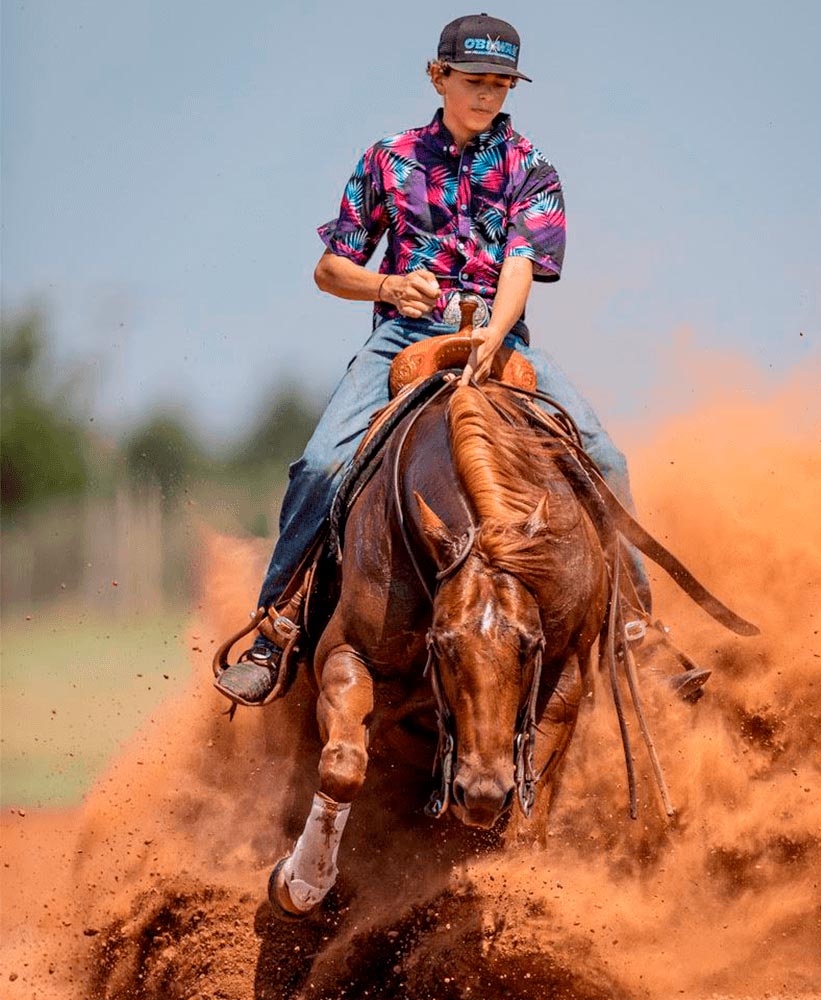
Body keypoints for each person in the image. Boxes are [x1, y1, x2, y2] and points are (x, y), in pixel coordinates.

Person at [216, 13, 651, 706]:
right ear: (438, 76)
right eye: (475, 81)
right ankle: (277, 629)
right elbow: (331, 269)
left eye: (501, 84)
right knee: (324, 462)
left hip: (498, 338)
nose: (488, 96)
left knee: (607, 458)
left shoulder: (532, 170)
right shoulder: (386, 159)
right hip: (399, 337)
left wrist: (492, 334)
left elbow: (519, 265)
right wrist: (389, 285)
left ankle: (637, 628)